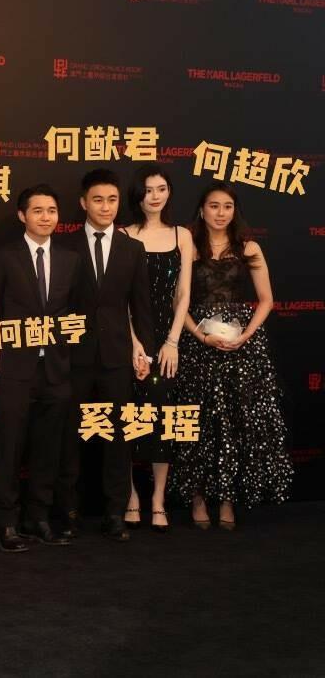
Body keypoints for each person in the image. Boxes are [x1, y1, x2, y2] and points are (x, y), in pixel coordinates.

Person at [172, 183, 291, 529]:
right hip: (197, 343)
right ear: (201, 210)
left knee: (235, 422)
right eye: (214, 206)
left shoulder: (249, 247)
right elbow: (178, 300)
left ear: (235, 210)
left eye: (227, 206)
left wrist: (246, 335)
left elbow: (266, 299)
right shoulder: (188, 246)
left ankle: (227, 500)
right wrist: (199, 335)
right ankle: (197, 498)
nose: (221, 213)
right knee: (197, 421)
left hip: (241, 347)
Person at [55, 168, 155, 542]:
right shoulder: (64, 247)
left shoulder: (133, 249)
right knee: (70, 437)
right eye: (98, 200)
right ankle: (68, 514)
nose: (106, 207)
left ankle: (116, 513)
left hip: (116, 355)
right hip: (73, 356)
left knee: (118, 437)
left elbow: (141, 306)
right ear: (83, 203)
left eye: (112, 200)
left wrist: (145, 353)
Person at [0, 185, 82, 552]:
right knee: (10, 447)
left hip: (56, 368)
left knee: (48, 449)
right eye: (38, 210)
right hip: (16, 368)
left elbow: (76, 314)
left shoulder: (70, 259)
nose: (46, 217)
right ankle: (7, 522)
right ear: (22, 215)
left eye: (52, 210)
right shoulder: (3, 257)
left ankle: (38, 518)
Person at [121, 164, 193, 533]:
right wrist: (134, 343)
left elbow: (183, 294)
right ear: (138, 195)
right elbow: (119, 298)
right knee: (128, 418)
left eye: (161, 188)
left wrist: (173, 342)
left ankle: (159, 499)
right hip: (131, 337)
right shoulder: (124, 235)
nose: (155, 196)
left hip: (169, 341)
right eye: (148, 190)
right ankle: (131, 496)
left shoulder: (183, 235)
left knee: (165, 418)